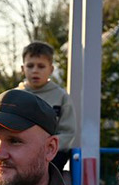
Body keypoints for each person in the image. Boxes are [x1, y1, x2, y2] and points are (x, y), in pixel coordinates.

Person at [16, 41, 76, 170]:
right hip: (19, 152)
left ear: (51, 69)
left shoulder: (61, 97)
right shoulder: (14, 96)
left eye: (41, 66)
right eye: (30, 66)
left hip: (51, 155)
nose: (35, 71)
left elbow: (68, 133)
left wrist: (44, 147)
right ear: (22, 68)